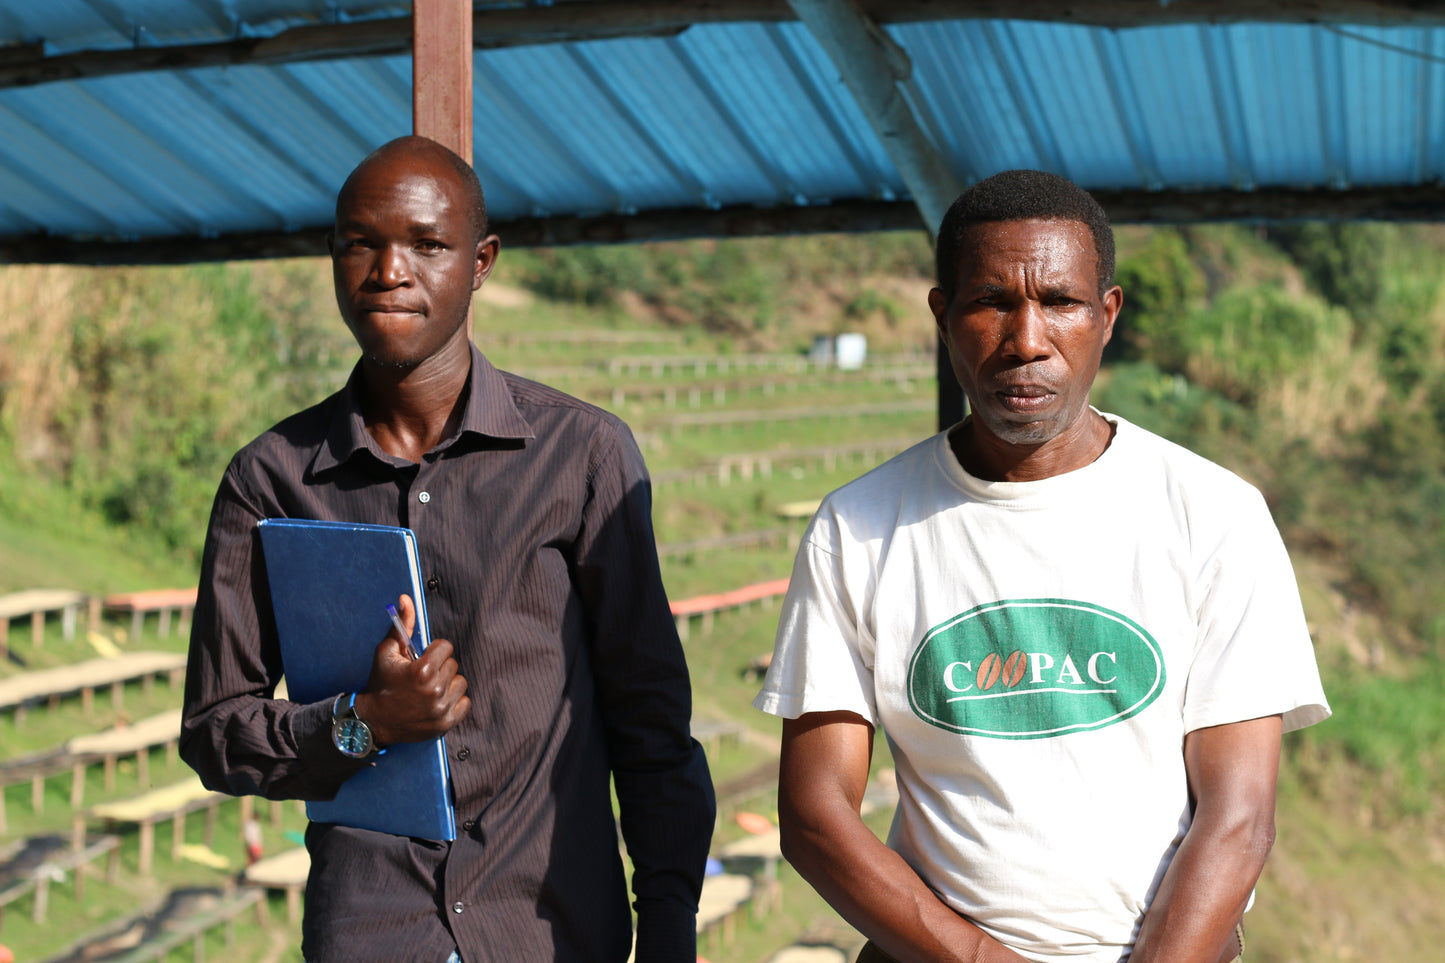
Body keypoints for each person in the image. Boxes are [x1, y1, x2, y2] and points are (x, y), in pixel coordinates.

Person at [753, 169, 1330, 963]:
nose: (1026, 339)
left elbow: (1238, 818)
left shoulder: (1212, 514)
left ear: (1107, 314)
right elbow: (815, 815)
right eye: (991, 302)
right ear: (941, 316)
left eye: (1059, 301)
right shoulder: (857, 527)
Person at [180, 135, 715, 963]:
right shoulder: (271, 478)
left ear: (480, 262)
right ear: (333, 255)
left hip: (553, 932)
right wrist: (363, 723)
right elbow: (214, 729)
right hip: (371, 937)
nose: (389, 271)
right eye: (360, 243)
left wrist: (670, 925)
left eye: (427, 245)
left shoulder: (581, 456)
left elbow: (650, 721)